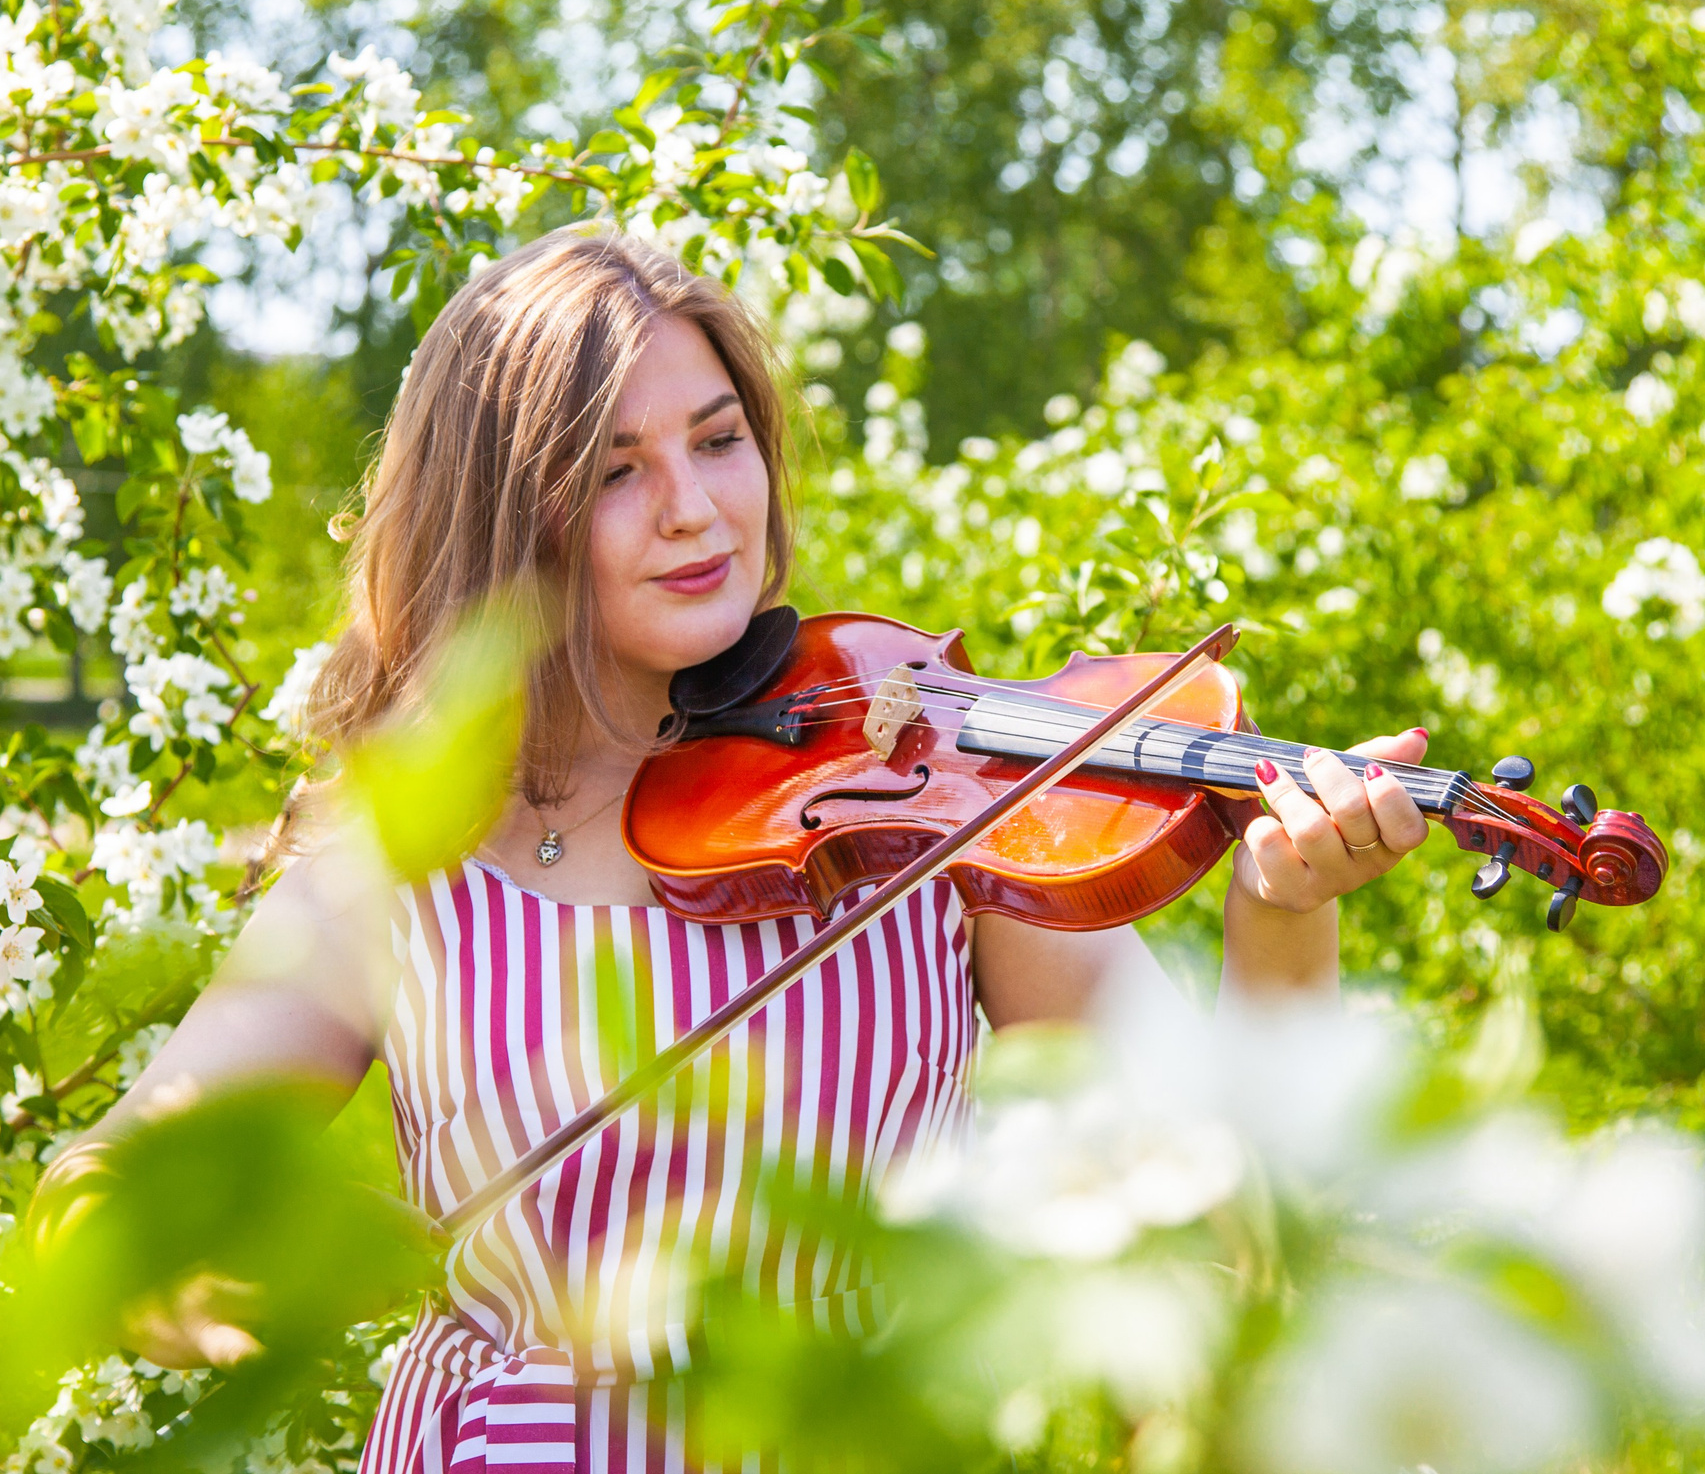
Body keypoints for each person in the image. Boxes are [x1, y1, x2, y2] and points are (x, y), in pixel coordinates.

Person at [34, 231, 1432, 1471]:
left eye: (717, 438)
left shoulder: (924, 809)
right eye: (614, 470)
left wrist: (1278, 910)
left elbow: (1237, 1183)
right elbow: (104, 1170)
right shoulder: (407, 860)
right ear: (508, 512)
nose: (695, 506)